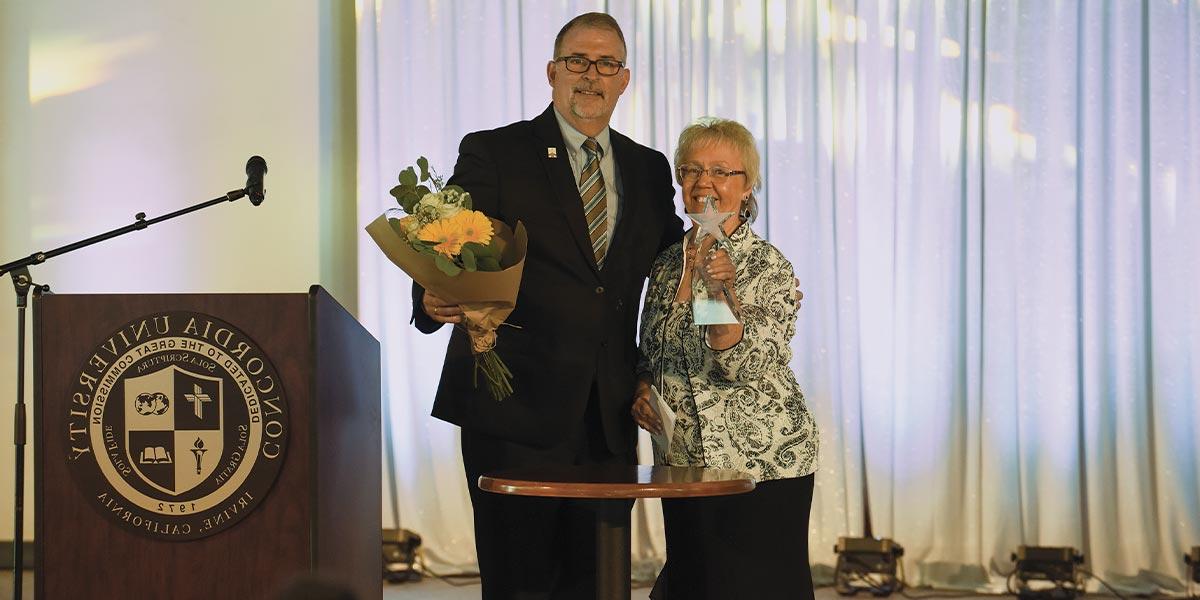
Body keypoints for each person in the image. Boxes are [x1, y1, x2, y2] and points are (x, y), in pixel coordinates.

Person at [411, 12, 684, 599]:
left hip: (607, 415)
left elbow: (673, 269)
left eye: (606, 63)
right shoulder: (496, 152)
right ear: (552, 72)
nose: (592, 75)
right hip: (513, 410)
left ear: (625, 78)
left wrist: (737, 258)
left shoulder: (649, 168)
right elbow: (450, 241)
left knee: (598, 581)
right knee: (520, 582)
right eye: (577, 62)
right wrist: (433, 295)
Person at [631, 117, 820, 600]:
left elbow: (737, 361)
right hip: (684, 461)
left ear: (748, 184)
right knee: (695, 584)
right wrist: (639, 388)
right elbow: (651, 349)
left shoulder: (767, 264)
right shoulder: (667, 262)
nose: (704, 183)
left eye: (721, 171)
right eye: (691, 170)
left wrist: (721, 288)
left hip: (759, 465)